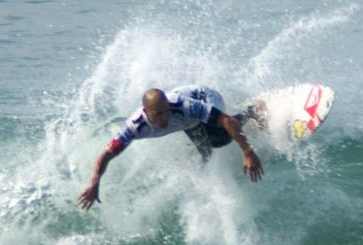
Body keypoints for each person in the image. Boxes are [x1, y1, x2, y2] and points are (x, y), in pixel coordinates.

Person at [77, 85, 264, 211]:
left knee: (219, 138)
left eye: (166, 111)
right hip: (188, 123)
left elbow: (226, 120)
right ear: (146, 112)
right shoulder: (135, 127)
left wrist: (248, 152)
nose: (165, 118)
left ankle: (253, 110)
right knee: (205, 153)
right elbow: (107, 153)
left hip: (204, 97)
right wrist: (94, 183)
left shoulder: (183, 107)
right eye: (158, 114)